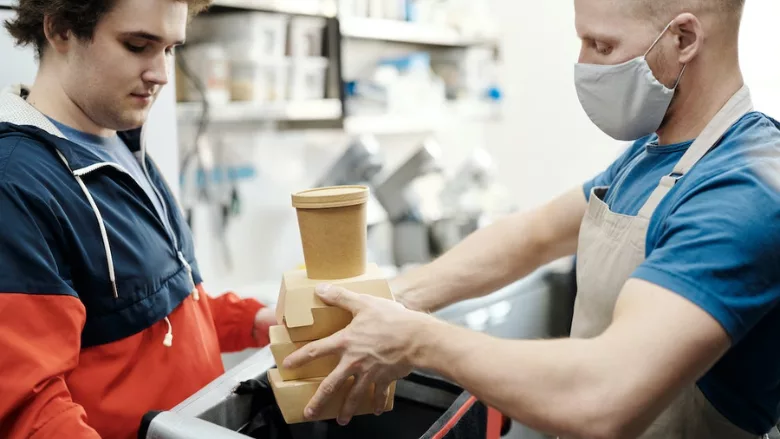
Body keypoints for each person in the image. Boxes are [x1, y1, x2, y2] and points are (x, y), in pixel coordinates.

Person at [284, 0, 780, 438]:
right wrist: (380, 303)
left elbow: (605, 396)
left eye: (602, 46)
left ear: (684, 38)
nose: (583, 65)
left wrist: (415, 338)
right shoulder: (653, 155)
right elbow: (533, 236)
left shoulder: (744, 189)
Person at [0, 1, 278, 438]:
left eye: (169, 49)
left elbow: (165, 305)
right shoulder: (16, 183)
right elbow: (29, 412)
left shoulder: (121, 147)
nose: (162, 74)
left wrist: (257, 321)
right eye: (137, 46)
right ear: (60, 30)